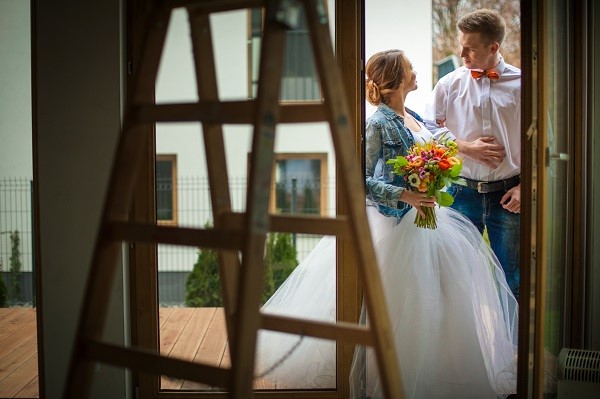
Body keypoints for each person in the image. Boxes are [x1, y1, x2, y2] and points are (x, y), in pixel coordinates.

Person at [254, 49, 518, 399]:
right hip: (396, 224)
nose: (414, 71)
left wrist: (449, 163)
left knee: (438, 300)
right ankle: (393, 379)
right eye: (409, 68)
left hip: (428, 221)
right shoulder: (377, 123)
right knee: (404, 303)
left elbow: (436, 149)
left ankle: (441, 374)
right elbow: (359, 180)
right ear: (395, 80)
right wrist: (405, 196)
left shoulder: (412, 115)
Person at [426, 9, 521, 300]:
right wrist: (467, 148)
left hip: (508, 197)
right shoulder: (448, 85)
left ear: (493, 48)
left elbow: (544, 140)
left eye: (470, 48)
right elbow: (430, 133)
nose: (461, 53)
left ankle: (513, 346)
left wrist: (526, 186)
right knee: (454, 281)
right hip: (460, 195)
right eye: (461, 45)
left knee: (512, 281)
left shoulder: (524, 84)